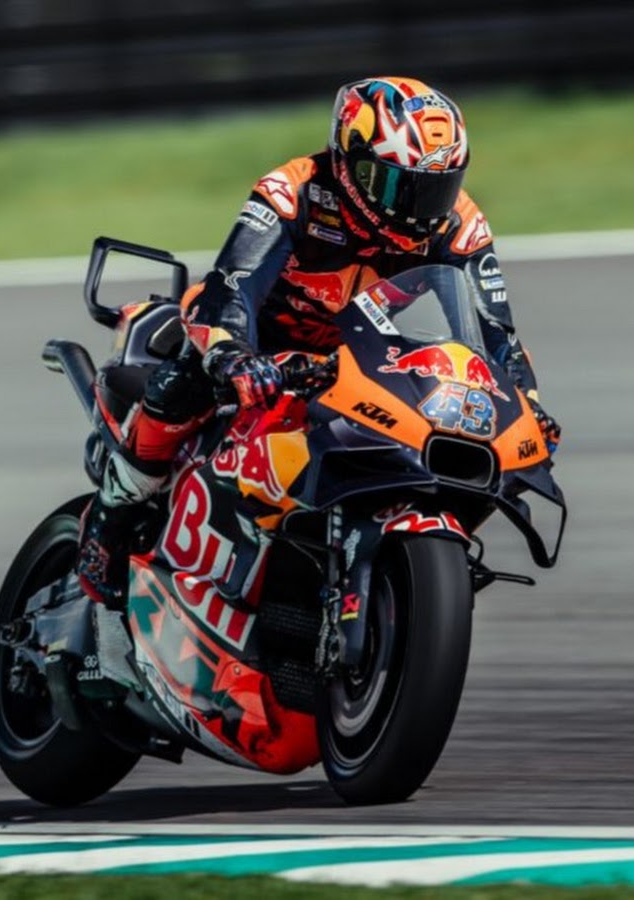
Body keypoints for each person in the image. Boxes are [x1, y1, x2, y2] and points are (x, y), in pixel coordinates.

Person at [77, 75, 561, 605]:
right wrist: (233, 355)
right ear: (350, 159)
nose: (418, 208)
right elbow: (232, 286)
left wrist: (526, 404)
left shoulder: (459, 224)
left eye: (435, 188)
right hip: (255, 341)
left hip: (351, 357)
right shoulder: (293, 191)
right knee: (181, 387)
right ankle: (111, 516)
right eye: (397, 185)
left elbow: (496, 333)